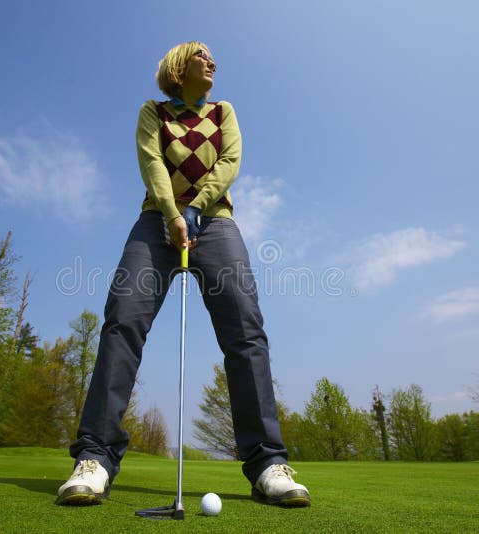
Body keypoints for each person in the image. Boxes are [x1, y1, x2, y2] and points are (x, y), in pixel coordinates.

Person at [56, 41, 310, 508]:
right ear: (178, 69)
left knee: (245, 332)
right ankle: (94, 458)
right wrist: (173, 213)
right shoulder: (152, 111)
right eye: (202, 56)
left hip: (216, 224)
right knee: (122, 321)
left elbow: (229, 162)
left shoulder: (223, 111)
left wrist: (195, 207)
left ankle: (268, 462)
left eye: (212, 57)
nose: (212, 61)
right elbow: (152, 163)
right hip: (156, 222)